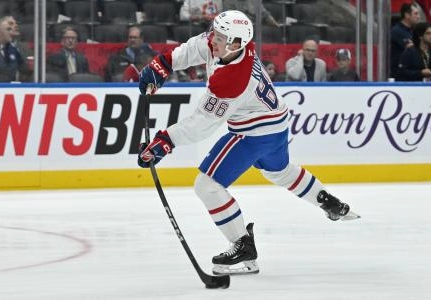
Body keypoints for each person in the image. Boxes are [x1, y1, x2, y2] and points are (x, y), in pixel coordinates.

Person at [137, 10, 359, 275]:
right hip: (276, 126)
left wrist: (166, 141)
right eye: (214, 33)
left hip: (255, 132)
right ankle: (326, 199)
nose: (212, 40)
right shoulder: (232, 44)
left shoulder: (231, 80)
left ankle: (243, 246)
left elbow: (202, 123)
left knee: (207, 185)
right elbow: (198, 47)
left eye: (219, 37)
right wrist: (164, 63)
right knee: (280, 172)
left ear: (235, 44)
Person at [390, 3, 421, 79]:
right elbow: (413, 49)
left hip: (411, 74)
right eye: (416, 14)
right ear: (407, 15)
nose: (418, 17)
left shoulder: (413, 31)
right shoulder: (397, 31)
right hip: (400, 77)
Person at [0, 17, 24, 82]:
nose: (11, 32)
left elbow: (23, 69)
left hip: (10, 90)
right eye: (8, 29)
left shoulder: (13, 49)